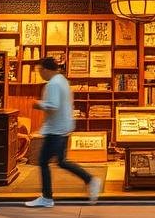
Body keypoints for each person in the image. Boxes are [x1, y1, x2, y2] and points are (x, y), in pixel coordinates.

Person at [26, 56, 102, 207]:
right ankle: (90, 180)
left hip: (55, 129)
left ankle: (47, 198)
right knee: (61, 162)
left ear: (46, 69)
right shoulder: (62, 80)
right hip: (63, 127)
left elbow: (53, 105)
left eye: (39, 70)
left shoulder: (53, 84)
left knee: (43, 162)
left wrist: (37, 104)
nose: (39, 73)